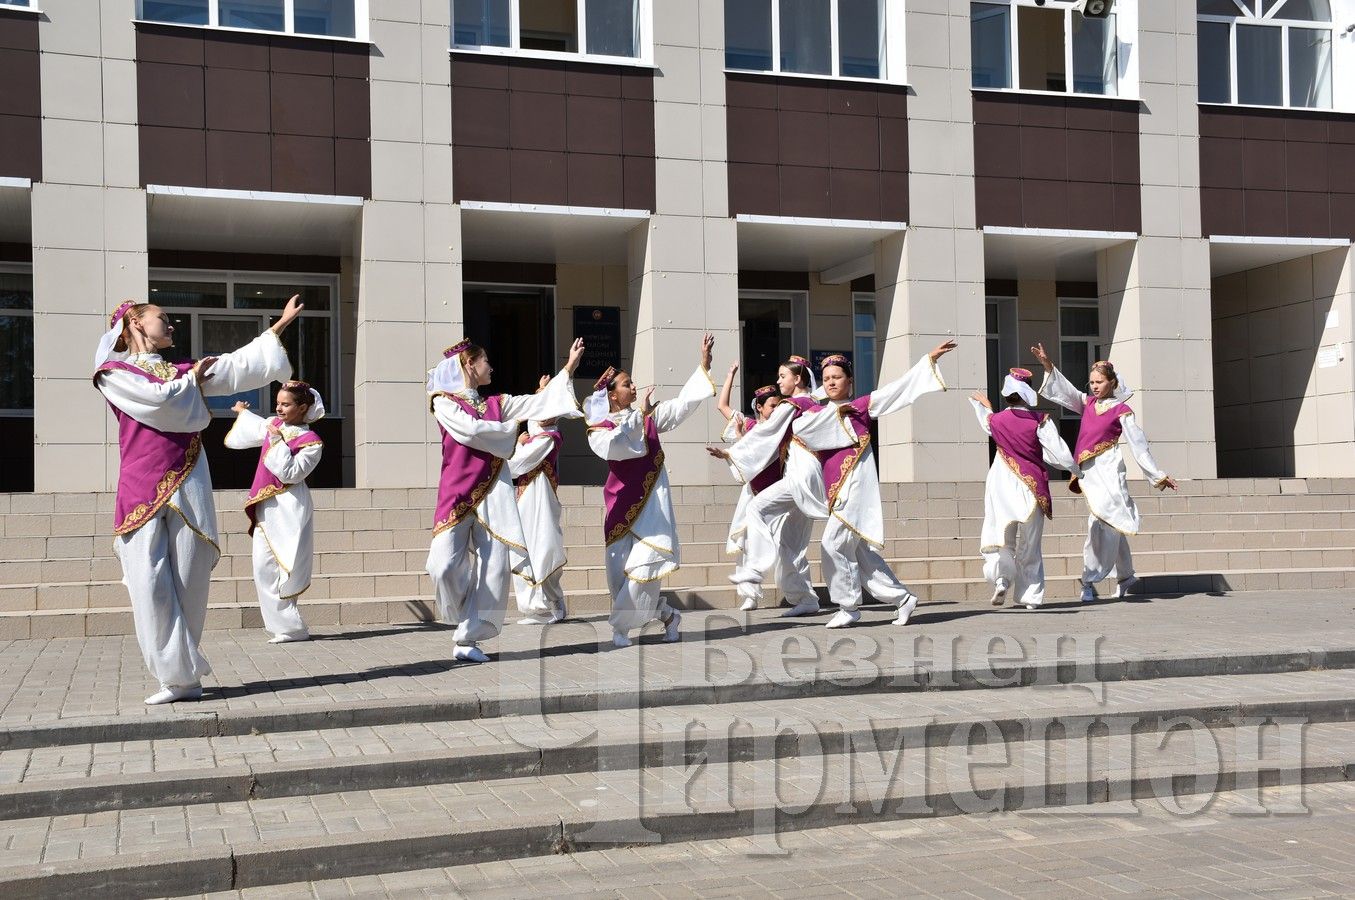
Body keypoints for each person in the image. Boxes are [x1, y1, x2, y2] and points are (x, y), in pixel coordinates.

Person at [94, 295, 302, 704]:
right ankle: (173, 673)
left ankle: (184, 680)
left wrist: (276, 328)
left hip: (188, 479)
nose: (171, 326)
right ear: (134, 324)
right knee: (149, 583)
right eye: (162, 319)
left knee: (190, 579)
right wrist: (192, 380)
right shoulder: (113, 372)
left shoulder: (180, 371)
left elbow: (233, 367)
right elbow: (159, 401)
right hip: (142, 485)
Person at [426, 337, 586, 662]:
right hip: (457, 492)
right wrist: (511, 429)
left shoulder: (499, 404)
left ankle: (470, 636)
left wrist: (568, 368)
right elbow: (470, 431)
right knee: (442, 565)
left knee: (495, 568)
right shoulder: (444, 402)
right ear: (469, 364)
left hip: (495, 493)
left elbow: (536, 403)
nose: (491, 367)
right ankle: (462, 614)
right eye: (485, 360)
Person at [793, 341, 957, 628]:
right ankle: (902, 599)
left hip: (855, 487)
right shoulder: (815, 416)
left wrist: (926, 361)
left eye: (838, 377)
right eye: (827, 378)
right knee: (860, 553)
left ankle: (848, 607)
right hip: (835, 489)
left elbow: (898, 390)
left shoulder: (860, 407)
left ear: (850, 382)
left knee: (833, 544)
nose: (831, 382)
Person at [586, 334, 716, 648]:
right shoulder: (599, 431)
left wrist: (703, 366)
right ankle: (668, 615)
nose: (634, 387)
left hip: (653, 511)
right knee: (621, 580)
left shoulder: (648, 418)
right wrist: (639, 417)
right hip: (620, 508)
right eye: (627, 384)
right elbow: (619, 449)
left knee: (643, 571)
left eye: (632, 382)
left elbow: (682, 406)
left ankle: (619, 629)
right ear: (613, 396)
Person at [1031, 344, 1179, 602]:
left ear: (1112, 382)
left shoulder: (1122, 411)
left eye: (1099, 382)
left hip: (1110, 468)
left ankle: (1089, 581)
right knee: (1108, 522)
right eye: (1091, 383)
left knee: (1101, 522)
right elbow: (1065, 391)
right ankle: (1125, 576)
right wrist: (1047, 365)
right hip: (1089, 471)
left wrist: (1158, 475)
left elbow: (1139, 445)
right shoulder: (1086, 403)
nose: (1094, 386)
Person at [708, 356, 823, 617]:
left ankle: (756, 567)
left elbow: (765, 433)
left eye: (783, 376)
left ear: (798, 379)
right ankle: (806, 599)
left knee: (758, 511)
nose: (778, 381)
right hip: (807, 480)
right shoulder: (815, 403)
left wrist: (731, 452)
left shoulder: (792, 405)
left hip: (798, 478)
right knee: (791, 545)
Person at [969, 368, 1079, 610]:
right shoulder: (1040, 421)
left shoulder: (995, 420)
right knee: (1030, 543)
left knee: (1001, 537)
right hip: (1031, 485)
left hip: (1001, 483)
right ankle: (1030, 596)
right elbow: (1059, 452)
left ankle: (1001, 579)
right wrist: (1075, 470)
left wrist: (986, 406)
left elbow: (985, 419)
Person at [225, 381, 326, 642]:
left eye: (286, 404)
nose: (279, 408)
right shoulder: (275, 425)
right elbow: (257, 426)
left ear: (302, 407)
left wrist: (277, 442)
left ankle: (291, 628)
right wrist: (242, 413)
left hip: (289, 507)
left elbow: (291, 473)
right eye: (278, 403)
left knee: (285, 565)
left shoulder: (311, 442)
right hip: (266, 506)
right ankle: (285, 626)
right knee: (262, 568)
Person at [510, 375, 579, 625]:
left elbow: (517, 464)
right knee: (527, 547)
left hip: (539, 496)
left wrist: (513, 447)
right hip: (529, 494)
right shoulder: (538, 436)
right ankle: (538, 606)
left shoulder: (548, 438)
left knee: (542, 547)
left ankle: (545, 606)